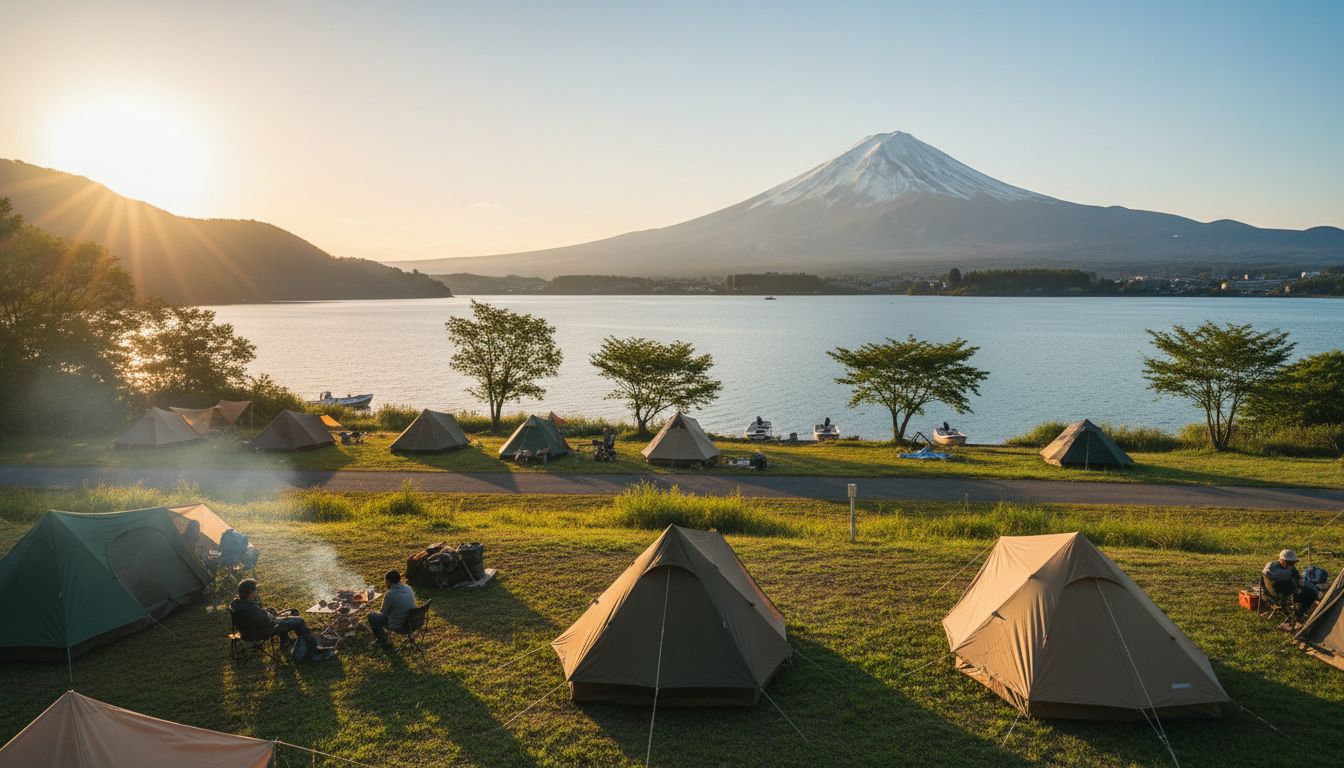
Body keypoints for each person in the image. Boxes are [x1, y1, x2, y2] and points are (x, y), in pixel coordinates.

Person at [229, 578, 311, 649]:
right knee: (299, 621)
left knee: (271, 610)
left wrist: (266, 612)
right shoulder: (251, 609)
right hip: (260, 632)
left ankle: (285, 641)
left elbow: (258, 615)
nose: (256, 592)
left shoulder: (236, 604)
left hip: (246, 632)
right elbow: (269, 622)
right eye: (255, 590)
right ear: (251, 594)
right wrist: (271, 616)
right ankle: (308, 645)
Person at [1263, 549, 1319, 626]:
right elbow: (1297, 581)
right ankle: (1299, 617)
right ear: (1283, 561)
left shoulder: (1270, 566)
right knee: (1310, 595)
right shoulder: (1288, 572)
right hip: (1283, 595)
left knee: (1306, 591)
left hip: (1270, 594)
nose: (1292, 565)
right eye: (1290, 563)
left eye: (1293, 563)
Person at [368, 570, 417, 648]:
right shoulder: (408, 588)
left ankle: (382, 640)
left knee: (372, 615)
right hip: (413, 622)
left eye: (386, 582)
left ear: (389, 582)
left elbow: (384, 612)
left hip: (399, 625)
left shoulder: (390, 594)